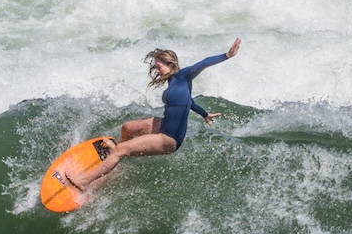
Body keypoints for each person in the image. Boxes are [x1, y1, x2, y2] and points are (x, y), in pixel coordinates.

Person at [61, 38, 241, 192]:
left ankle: (84, 181)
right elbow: (189, 102)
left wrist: (226, 55)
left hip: (168, 138)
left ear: (171, 64)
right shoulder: (174, 83)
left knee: (120, 149)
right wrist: (204, 114)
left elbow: (204, 62)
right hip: (163, 125)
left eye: (159, 66)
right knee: (127, 127)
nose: (156, 70)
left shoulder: (185, 75)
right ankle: (117, 159)